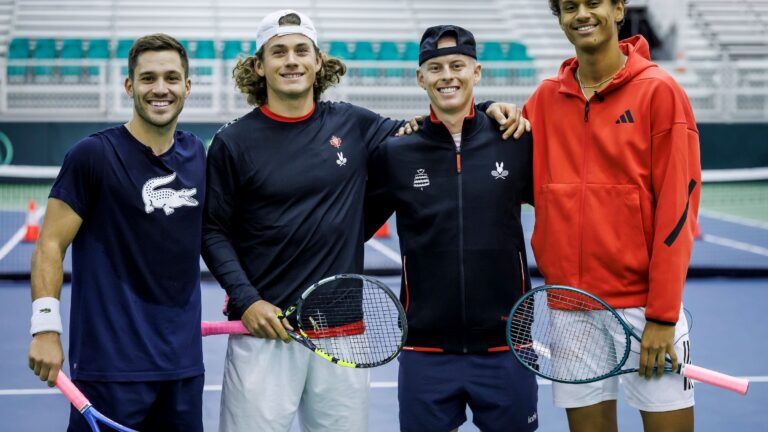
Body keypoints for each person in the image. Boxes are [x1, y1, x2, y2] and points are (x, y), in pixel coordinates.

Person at [201, 9, 528, 432]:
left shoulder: (355, 124)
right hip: (265, 332)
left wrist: (486, 108)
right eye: (278, 52)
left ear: (318, 61)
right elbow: (212, 230)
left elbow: (439, 126)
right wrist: (248, 301)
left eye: (302, 50)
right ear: (259, 65)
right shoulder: (232, 141)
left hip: (343, 333)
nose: (291, 61)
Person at [522, 1, 701, 431]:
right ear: (560, 17)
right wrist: (496, 110)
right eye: (569, 7)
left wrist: (661, 316)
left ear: (618, 9)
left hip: (644, 309)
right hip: (570, 309)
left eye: (593, 3)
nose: (581, 14)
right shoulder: (545, 99)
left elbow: (679, 209)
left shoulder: (660, 91)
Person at [363, 25, 539, 432]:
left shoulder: (515, 140)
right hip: (425, 350)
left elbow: (564, 210)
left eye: (458, 65)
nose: (448, 76)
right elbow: (349, 229)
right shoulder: (396, 152)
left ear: (476, 73)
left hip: (506, 345)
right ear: (420, 77)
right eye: (436, 67)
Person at [27, 34, 206, 431]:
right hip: (109, 370)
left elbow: (218, 239)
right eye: (148, 78)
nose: (160, 88)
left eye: (172, 78)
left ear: (187, 87)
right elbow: (49, 246)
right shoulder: (92, 156)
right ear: (129, 86)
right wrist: (44, 327)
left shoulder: (198, 156)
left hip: (183, 369)